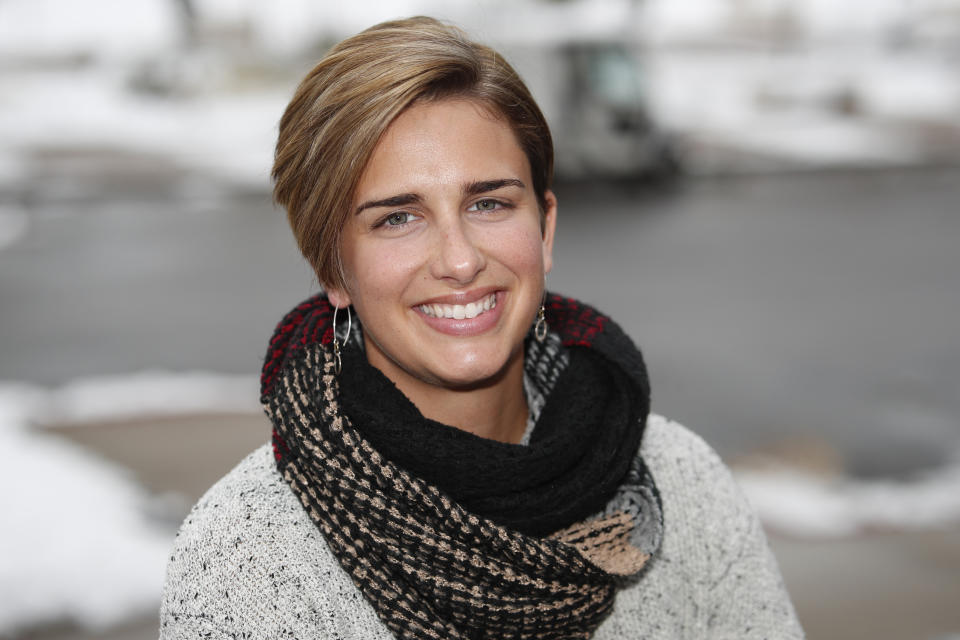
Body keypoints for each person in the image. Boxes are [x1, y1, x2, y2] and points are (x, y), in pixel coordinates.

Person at [160, 16, 803, 639]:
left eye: (489, 203)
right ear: (333, 267)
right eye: (397, 218)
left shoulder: (683, 483)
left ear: (544, 229)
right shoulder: (247, 558)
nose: (461, 259)